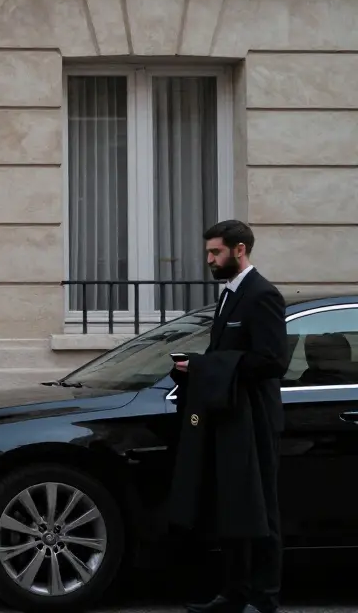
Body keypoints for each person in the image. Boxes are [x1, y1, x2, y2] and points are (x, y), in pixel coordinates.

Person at [168, 220, 290, 613]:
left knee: (262, 511)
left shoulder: (262, 295)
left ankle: (264, 598)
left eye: (215, 253)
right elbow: (230, 357)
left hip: (255, 419)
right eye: (208, 253)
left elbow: (272, 362)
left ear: (239, 250)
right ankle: (234, 594)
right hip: (230, 416)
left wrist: (206, 368)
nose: (209, 260)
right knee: (233, 507)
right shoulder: (227, 297)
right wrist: (197, 368)